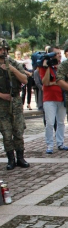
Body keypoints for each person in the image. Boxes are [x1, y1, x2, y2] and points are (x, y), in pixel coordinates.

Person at [0, 39, 29, 170]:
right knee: (6, 133)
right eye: (0, 50)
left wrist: (12, 69)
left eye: (4, 49)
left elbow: (24, 79)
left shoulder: (13, 63)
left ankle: (20, 157)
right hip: (1, 104)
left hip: (15, 101)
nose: (3, 52)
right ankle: (11, 159)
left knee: (18, 131)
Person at [40, 46, 68, 154]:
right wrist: (48, 67)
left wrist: (55, 82)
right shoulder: (43, 67)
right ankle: (49, 145)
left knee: (61, 122)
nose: (59, 55)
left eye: (59, 53)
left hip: (61, 97)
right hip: (49, 98)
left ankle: (60, 143)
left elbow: (64, 80)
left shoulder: (62, 66)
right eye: (56, 53)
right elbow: (45, 82)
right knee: (50, 122)